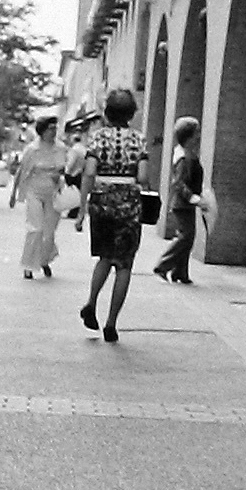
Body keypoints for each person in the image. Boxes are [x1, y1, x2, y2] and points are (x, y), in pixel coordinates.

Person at [77, 85, 150, 343]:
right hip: (129, 202)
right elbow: (142, 176)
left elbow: (89, 171)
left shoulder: (97, 138)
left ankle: (91, 302)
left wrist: (82, 208)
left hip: (102, 200)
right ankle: (111, 323)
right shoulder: (139, 139)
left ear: (107, 111)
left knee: (105, 257)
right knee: (124, 264)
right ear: (131, 113)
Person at [8, 115, 67, 278]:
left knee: (49, 231)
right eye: (50, 129)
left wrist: (59, 175)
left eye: (55, 128)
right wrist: (14, 193)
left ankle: (44, 259)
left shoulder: (61, 148)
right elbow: (22, 170)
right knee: (35, 228)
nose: (53, 132)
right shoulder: (32, 149)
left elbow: (64, 168)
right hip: (34, 190)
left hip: (53, 191)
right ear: (42, 131)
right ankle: (28, 265)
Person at [152, 116, 206, 285]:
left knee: (187, 236)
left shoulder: (185, 153)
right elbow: (179, 182)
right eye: (196, 132)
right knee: (186, 236)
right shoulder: (184, 157)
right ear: (189, 136)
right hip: (183, 204)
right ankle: (163, 266)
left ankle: (180, 273)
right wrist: (192, 197)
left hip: (184, 204)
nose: (199, 136)